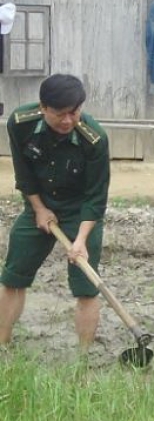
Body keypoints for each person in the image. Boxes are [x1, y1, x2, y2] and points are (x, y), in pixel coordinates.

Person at [0, 74, 109, 348]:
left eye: (75, 113)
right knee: (13, 277)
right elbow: (24, 175)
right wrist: (38, 209)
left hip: (80, 212)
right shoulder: (20, 123)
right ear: (43, 107)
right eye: (60, 114)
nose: (68, 121)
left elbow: (96, 197)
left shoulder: (94, 139)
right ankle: (1, 346)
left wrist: (81, 240)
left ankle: (83, 362)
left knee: (87, 288)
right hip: (39, 204)